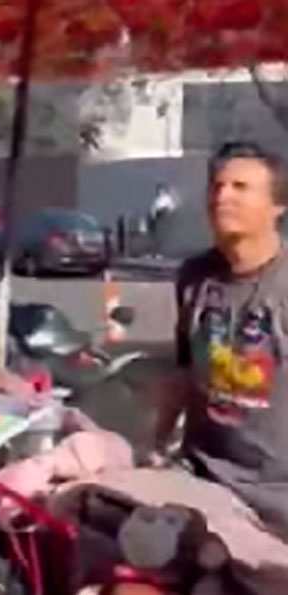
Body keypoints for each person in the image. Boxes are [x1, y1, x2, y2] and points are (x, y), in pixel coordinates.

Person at [159, 142, 288, 543]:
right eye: (216, 186)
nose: (222, 197)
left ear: (278, 206)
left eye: (240, 187)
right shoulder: (195, 275)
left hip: (277, 498)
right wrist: (157, 444)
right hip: (201, 478)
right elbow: (182, 374)